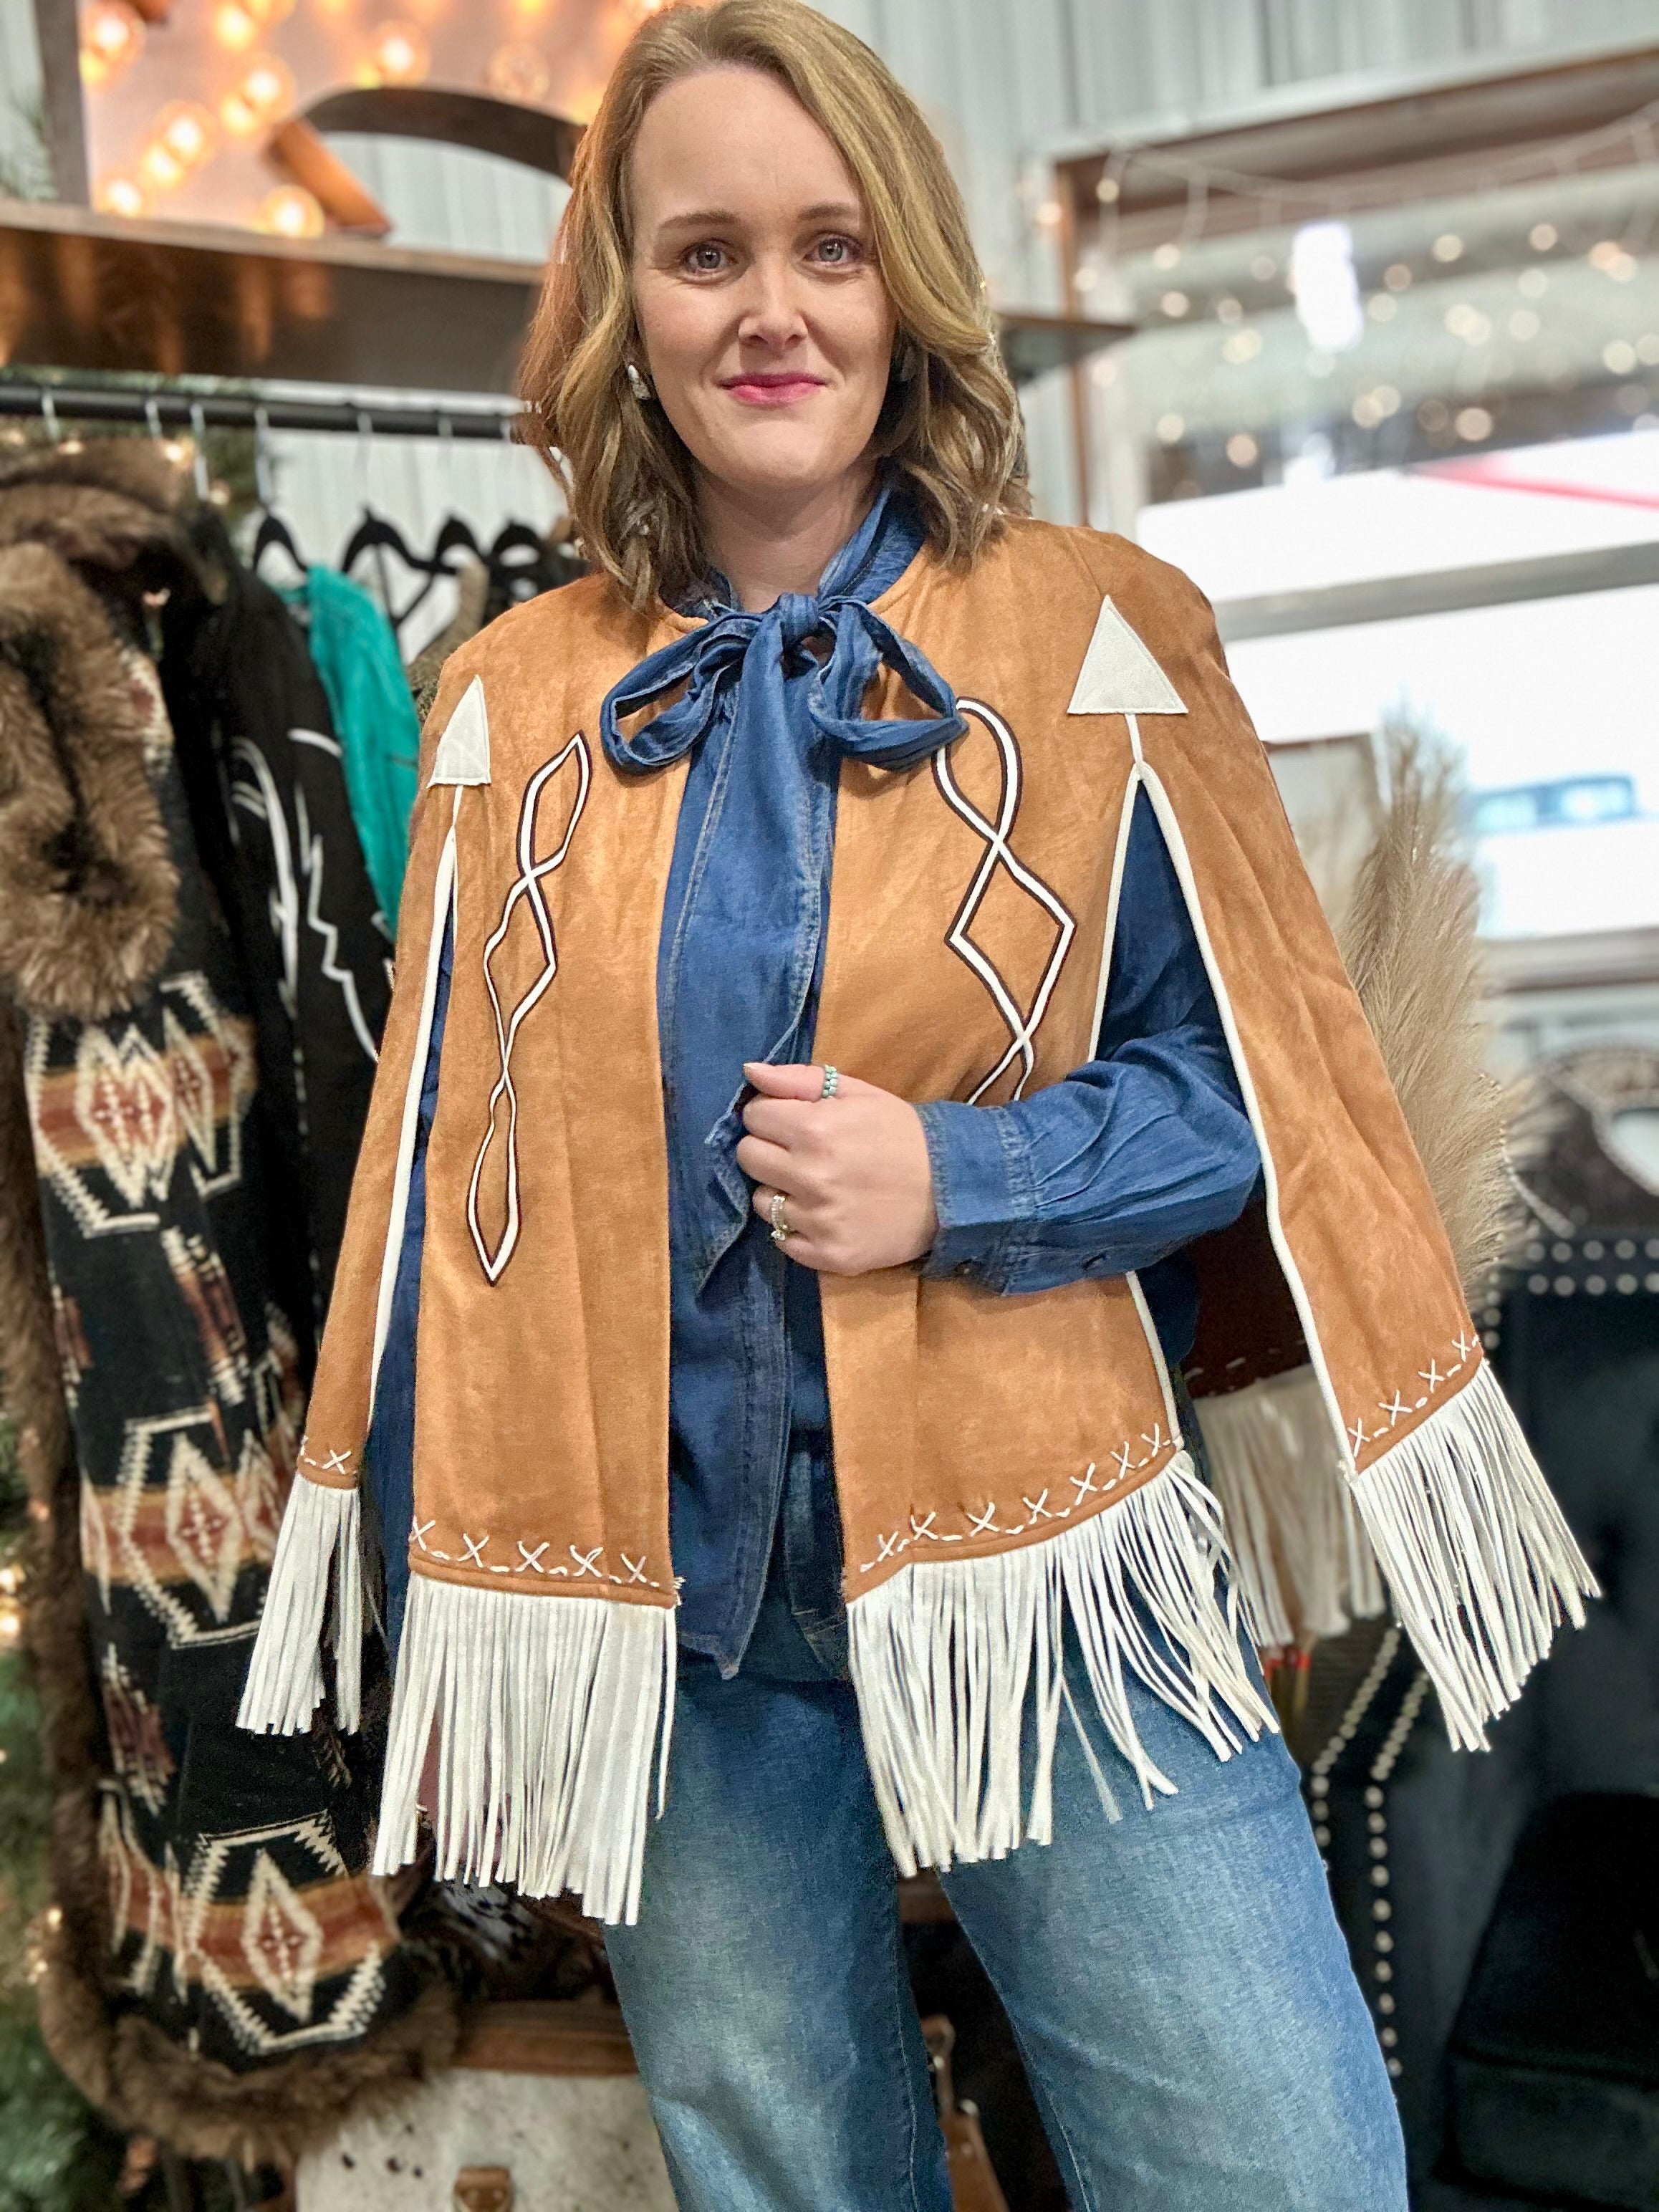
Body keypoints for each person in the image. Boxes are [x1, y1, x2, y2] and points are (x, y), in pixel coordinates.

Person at [240, 6, 1594, 2207]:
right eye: (703, 253)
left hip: (1047, 1561)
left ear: (907, 287)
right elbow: (451, 1194)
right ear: (624, 305)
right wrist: (458, 1606)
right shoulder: (507, 698)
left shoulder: (1093, 634)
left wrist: (955, 1175)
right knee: (785, 2178)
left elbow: (1252, 1095)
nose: (769, 309)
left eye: (830, 246)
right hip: (671, 1621)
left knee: (1270, 2167)